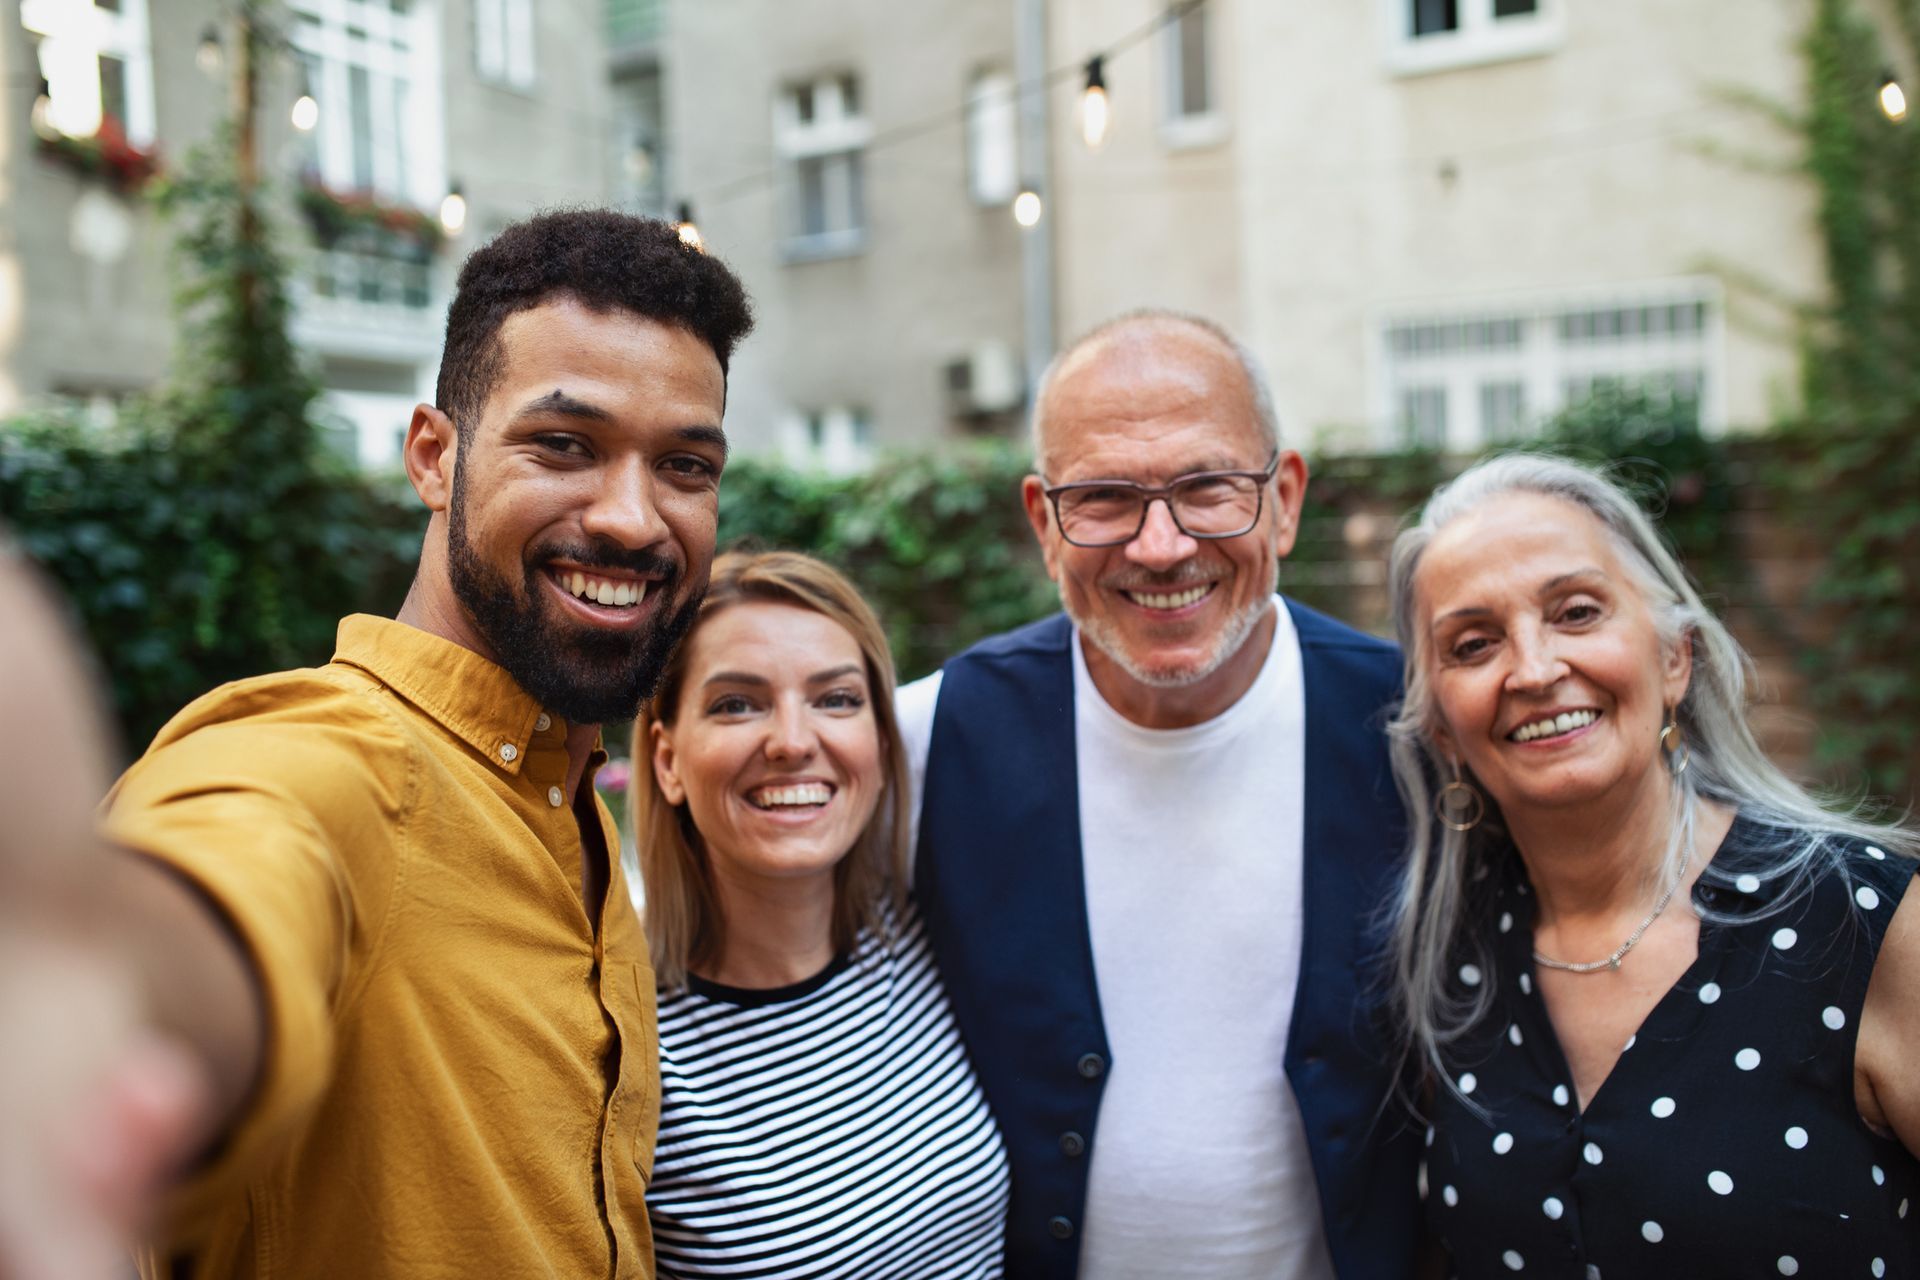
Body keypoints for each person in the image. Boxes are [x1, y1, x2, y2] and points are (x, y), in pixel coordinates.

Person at [0, 208, 754, 1279]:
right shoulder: (327, 760)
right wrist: (81, 986)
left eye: (685, 465)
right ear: (433, 457)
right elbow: (233, 875)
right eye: (563, 445)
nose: (634, 517)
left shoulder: (569, 795)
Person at [897, 310, 1422, 1279]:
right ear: (1043, 523)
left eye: (1208, 486)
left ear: (1286, 498)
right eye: (1103, 497)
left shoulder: (1412, 727)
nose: (1161, 543)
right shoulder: (929, 740)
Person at [1385, 452, 1920, 1277]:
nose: (1533, 670)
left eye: (1576, 612)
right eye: (1474, 643)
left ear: (1676, 658)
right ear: (1443, 734)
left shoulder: (1863, 924)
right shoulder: (1453, 966)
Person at [631, 550, 1010, 1279]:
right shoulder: (633, 1050)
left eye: (836, 699)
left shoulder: (921, 934)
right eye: (736, 703)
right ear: (667, 760)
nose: (794, 742)